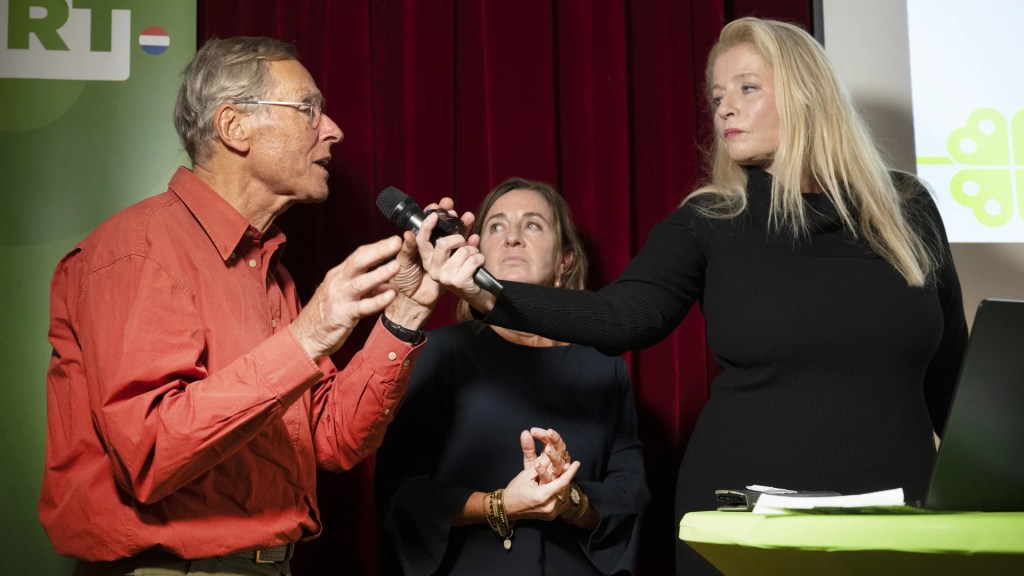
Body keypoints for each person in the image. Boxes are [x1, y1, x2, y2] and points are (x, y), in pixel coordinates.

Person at [415, 17, 969, 576]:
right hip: (749, 526)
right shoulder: (709, 219)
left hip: (901, 520)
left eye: (746, 88)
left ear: (806, 93)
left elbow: (955, 380)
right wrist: (482, 289)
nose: (724, 108)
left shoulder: (907, 208)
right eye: (717, 95)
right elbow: (622, 316)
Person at [39, 36, 455, 575]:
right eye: (309, 109)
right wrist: (306, 337)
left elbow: (331, 440)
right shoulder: (139, 251)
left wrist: (408, 307)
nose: (332, 129)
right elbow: (151, 451)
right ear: (234, 126)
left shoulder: (269, 270)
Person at [374, 178, 650, 575]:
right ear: (476, 252)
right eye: (497, 226)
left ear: (565, 261)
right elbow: (400, 492)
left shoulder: (605, 368)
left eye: (533, 225)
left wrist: (572, 501)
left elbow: (630, 494)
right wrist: (500, 505)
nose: (513, 239)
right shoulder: (438, 354)